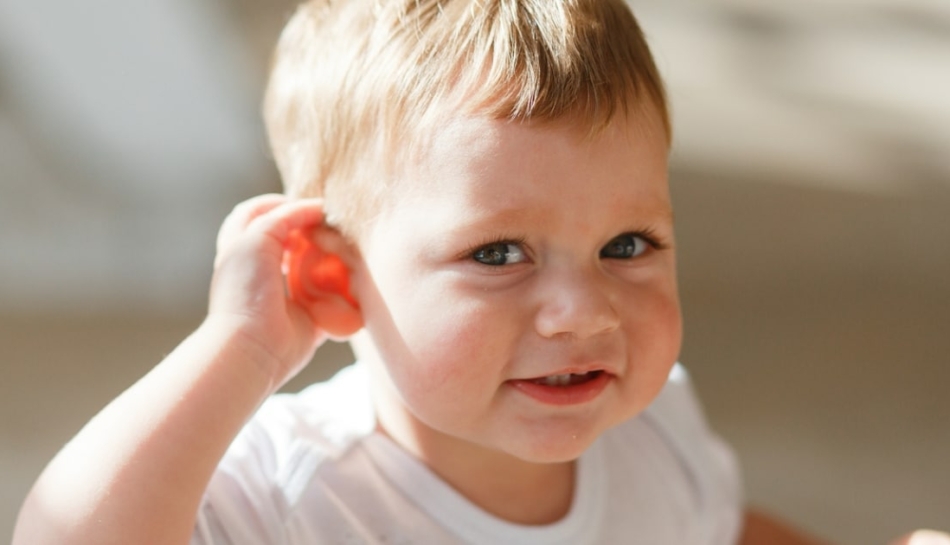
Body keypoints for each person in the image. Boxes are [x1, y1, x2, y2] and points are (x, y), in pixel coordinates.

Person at [12, 1, 948, 544]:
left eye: (629, 244)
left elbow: (717, 526)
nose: (584, 311)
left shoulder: (655, 429)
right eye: (498, 254)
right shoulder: (289, 494)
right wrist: (237, 349)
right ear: (335, 280)